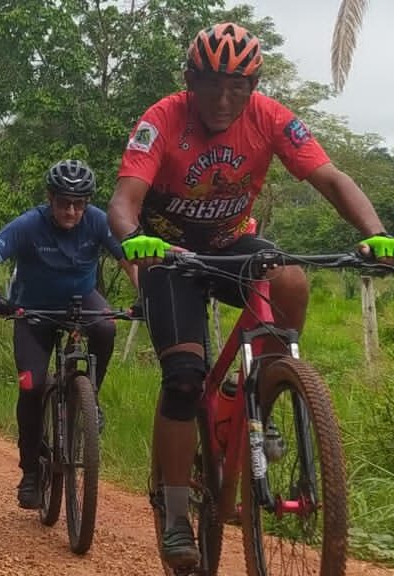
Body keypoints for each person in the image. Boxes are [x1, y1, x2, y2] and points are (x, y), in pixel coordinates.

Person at [107, 22, 394, 568]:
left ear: (253, 86)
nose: (224, 98)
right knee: (185, 380)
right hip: (170, 257)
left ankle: (271, 383)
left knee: (289, 278)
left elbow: (330, 177)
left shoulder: (272, 118)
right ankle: (173, 515)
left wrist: (374, 232)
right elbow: (125, 200)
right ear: (191, 80)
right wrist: (132, 239)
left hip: (234, 243)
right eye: (213, 84)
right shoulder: (162, 119)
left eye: (239, 85)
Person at [0, 159, 138, 510]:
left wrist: (147, 297)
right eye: (64, 202)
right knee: (31, 386)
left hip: (82, 300)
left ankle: (90, 397)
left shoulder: (96, 220)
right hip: (33, 310)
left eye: (79, 203)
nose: (72, 211)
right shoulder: (31, 223)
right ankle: (31, 471)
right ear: (50, 198)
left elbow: (129, 259)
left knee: (106, 326)